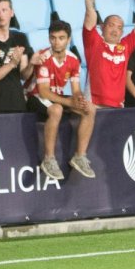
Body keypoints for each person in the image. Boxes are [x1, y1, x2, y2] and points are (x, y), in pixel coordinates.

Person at [28, 20, 96, 180]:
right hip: (35, 96)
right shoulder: (44, 57)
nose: (56, 42)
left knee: (90, 108)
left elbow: (76, 89)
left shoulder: (73, 60)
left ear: (69, 39)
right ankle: (49, 159)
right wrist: (69, 103)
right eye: (53, 38)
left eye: (61, 38)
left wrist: (80, 100)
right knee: (56, 109)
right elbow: (44, 92)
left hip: (56, 96)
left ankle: (80, 156)